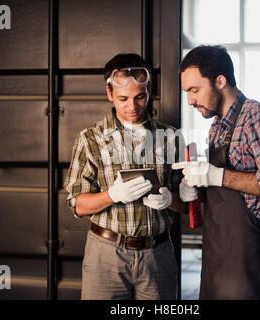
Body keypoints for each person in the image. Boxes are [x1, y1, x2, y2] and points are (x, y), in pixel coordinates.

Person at [173, 45, 260, 299]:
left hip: (248, 258)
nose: (190, 100)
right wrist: (194, 189)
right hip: (216, 255)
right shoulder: (217, 127)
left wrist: (218, 175)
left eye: (194, 90)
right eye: (187, 92)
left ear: (220, 81)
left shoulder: (258, 117)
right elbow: (220, 193)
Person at [64, 53, 186, 300]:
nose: (132, 106)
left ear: (149, 90)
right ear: (109, 94)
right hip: (105, 256)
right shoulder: (90, 139)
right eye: (123, 98)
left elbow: (188, 205)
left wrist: (169, 199)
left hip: (158, 254)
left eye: (140, 96)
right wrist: (111, 195)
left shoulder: (171, 137)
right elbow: (76, 204)